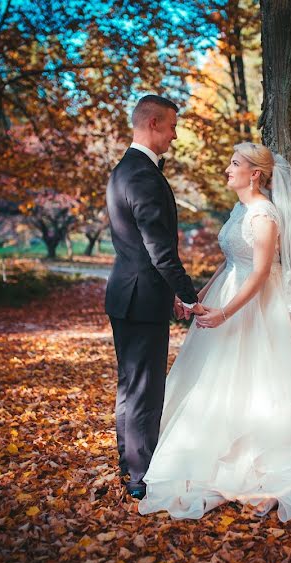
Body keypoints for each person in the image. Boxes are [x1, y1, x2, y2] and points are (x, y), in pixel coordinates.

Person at [138, 142, 291, 521]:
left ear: (254, 173)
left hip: (259, 308)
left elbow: (259, 273)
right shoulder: (240, 209)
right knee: (218, 382)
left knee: (256, 384)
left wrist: (225, 312)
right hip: (230, 293)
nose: (227, 169)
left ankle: (255, 473)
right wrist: (195, 298)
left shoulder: (263, 215)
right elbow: (230, 263)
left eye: (234, 163)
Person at [105, 95, 207, 500]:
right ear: (152, 123)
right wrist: (187, 294)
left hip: (128, 295)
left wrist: (172, 297)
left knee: (130, 386)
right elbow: (159, 251)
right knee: (144, 390)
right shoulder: (144, 176)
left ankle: (128, 463)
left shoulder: (123, 170)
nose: (175, 136)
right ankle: (140, 476)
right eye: (171, 127)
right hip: (141, 298)